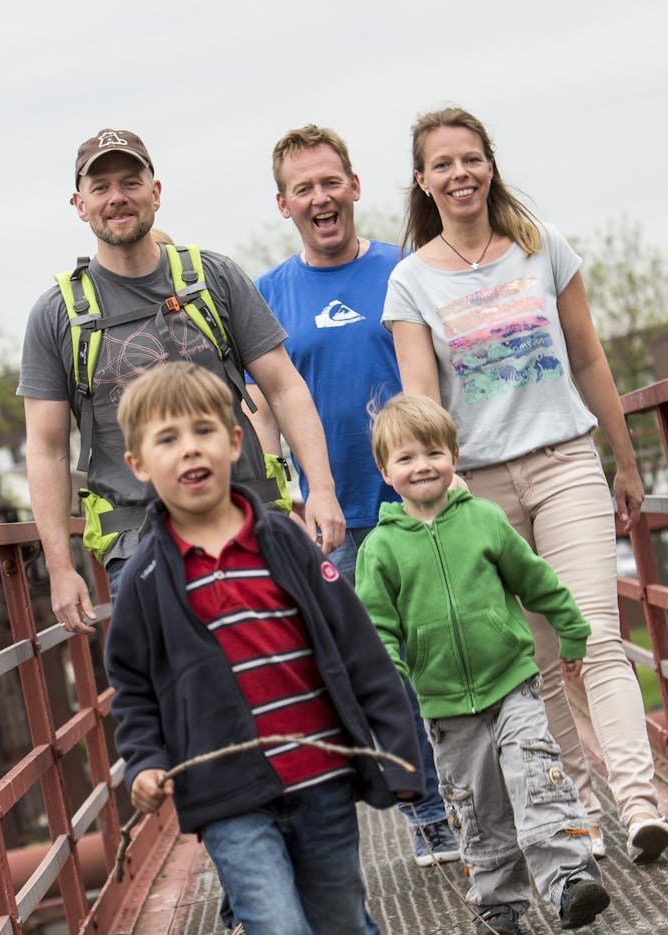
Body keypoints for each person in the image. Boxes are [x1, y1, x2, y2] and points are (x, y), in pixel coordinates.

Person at [383, 105, 668, 865]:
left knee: (596, 636)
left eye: (471, 158)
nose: (460, 174)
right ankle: (576, 808)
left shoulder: (543, 249)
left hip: (565, 461)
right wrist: (433, 498)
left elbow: (589, 360)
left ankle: (639, 802)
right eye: (443, 164)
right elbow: (421, 397)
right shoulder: (410, 282)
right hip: (476, 485)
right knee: (536, 658)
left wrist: (626, 459)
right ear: (422, 180)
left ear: (490, 164)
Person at [104, 362, 424, 935]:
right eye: (167, 440)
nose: (189, 451)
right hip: (228, 795)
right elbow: (131, 686)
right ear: (138, 466)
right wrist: (145, 762)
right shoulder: (144, 580)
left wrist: (397, 744)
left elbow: (356, 642)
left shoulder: (282, 540)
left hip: (320, 772)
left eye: (204, 431)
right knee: (276, 925)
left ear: (234, 443)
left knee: (341, 919)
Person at [16, 127, 345, 634]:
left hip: (251, 528)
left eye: (130, 182)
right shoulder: (57, 315)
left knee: (292, 679)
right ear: (79, 204)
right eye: (100, 188)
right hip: (139, 550)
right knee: (177, 704)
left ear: (156, 192)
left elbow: (284, 386)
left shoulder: (213, 278)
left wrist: (320, 489)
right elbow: (46, 449)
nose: (117, 198)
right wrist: (60, 570)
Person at [245, 124, 458, 869]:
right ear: (283, 204)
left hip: (422, 501)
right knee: (385, 671)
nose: (320, 196)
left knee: (448, 654)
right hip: (334, 523)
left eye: (330, 180)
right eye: (303, 187)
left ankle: (481, 798)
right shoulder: (267, 296)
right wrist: (285, 507)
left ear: (356, 186)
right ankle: (433, 813)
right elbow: (262, 414)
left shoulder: (405, 271)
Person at [356, 393, 610, 934]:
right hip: (445, 705)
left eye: (433, 453)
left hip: (512, 682)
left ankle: (569, 882)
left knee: (537, 776)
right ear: (385, 470)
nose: (421, 466)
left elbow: (533, 577)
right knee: (477, 804)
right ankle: (499, 902)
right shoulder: (379, 549)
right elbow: (375, 630)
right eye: (405, 458)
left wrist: (572, 629)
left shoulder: (485, 520)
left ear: (454, 457)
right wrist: (384, 688)